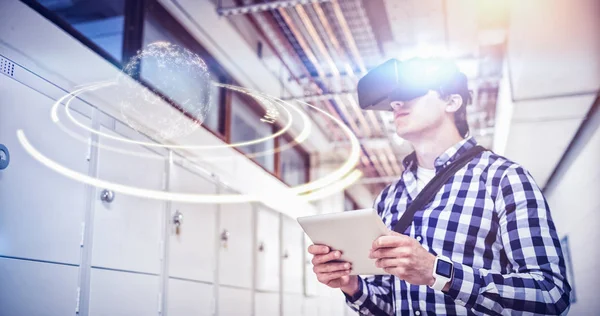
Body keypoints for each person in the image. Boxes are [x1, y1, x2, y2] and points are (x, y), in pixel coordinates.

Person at [307, 58, 571, 315]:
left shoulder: (503, 179)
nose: (397, 103)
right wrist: (352, 286)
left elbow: (551, 294)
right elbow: (390, 305)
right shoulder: (388, 199)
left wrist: (439, 272)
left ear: (452, 101)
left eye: (412, 91)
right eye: (393, 99)